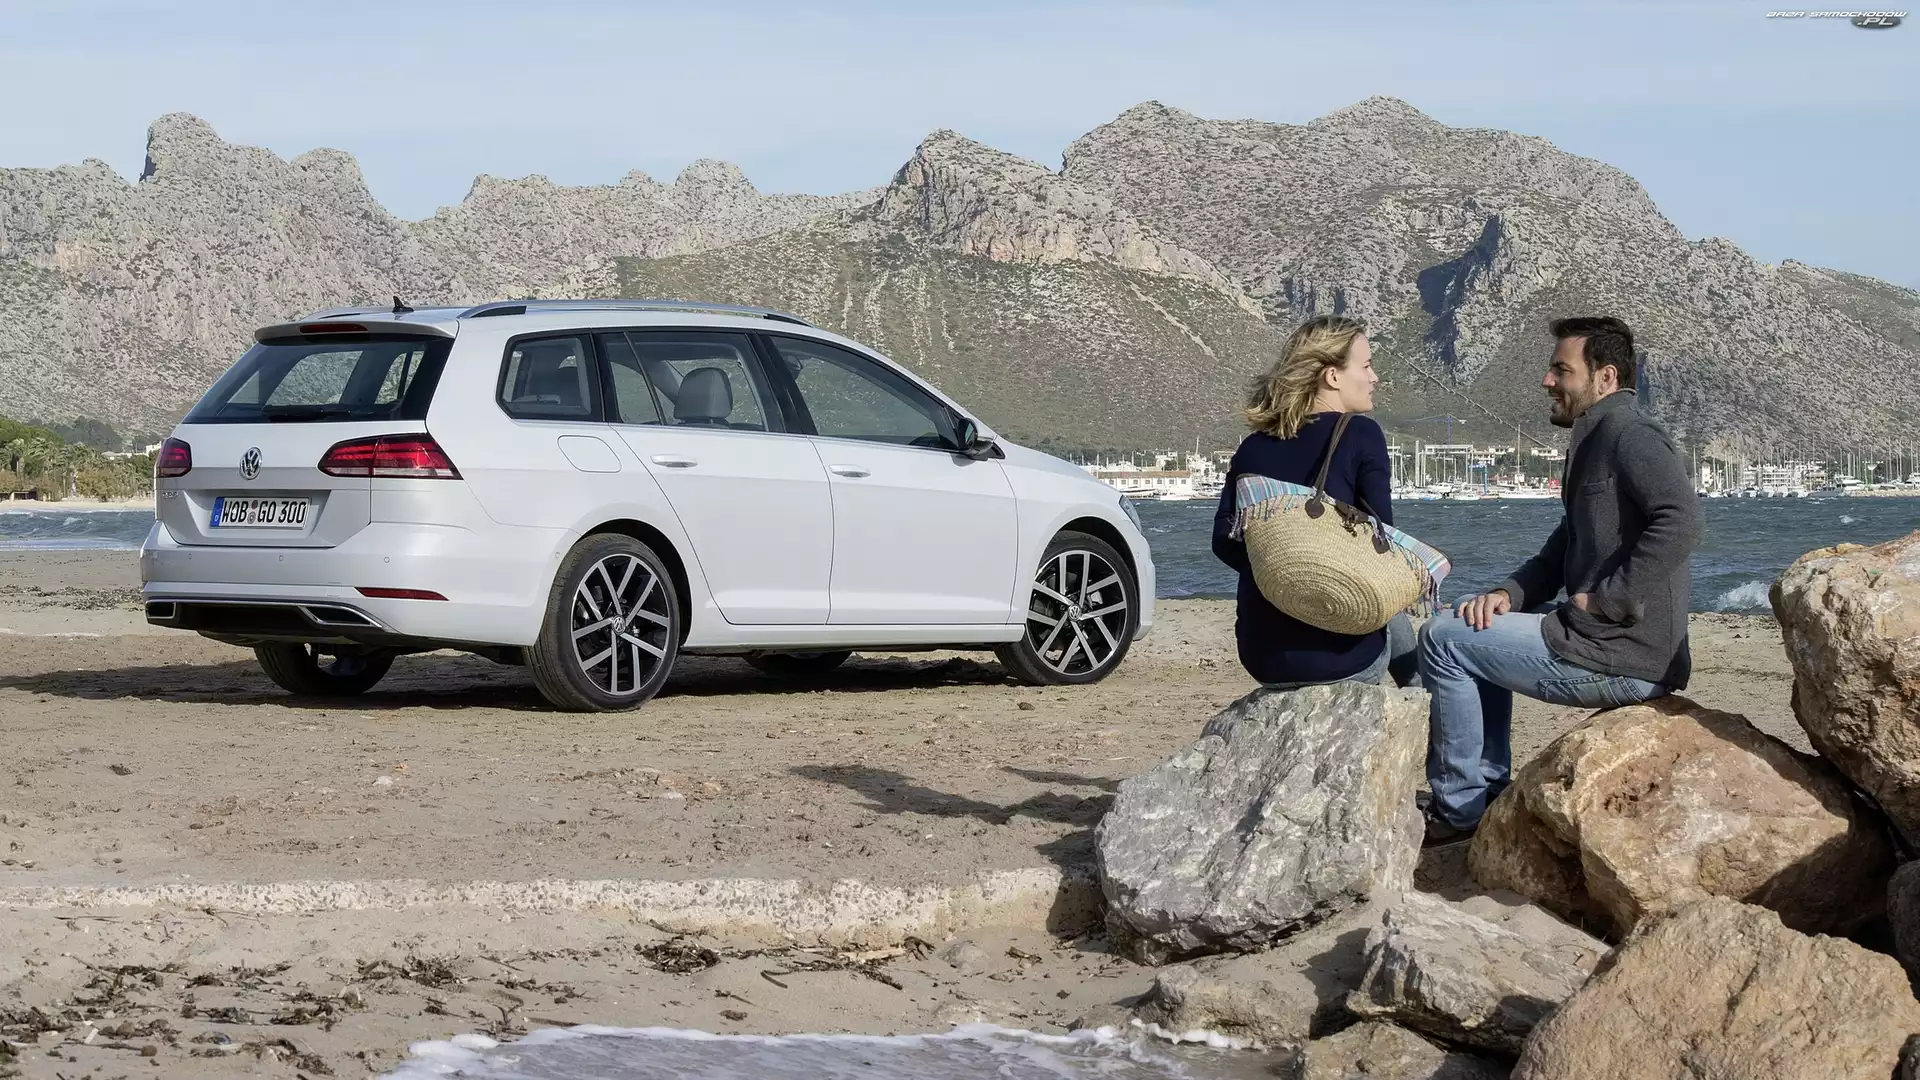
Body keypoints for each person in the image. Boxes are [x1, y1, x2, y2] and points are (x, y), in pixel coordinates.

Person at [1419, 316, 1702, 844]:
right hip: (1595, 637)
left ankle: (1458, 811)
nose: (1547, 381)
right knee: (1468, 619)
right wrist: (1506, 595)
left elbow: (1681, 520)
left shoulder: (1630, 434)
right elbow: (1561, 548)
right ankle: (1484, 791)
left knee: (1441, 640)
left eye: (1561, 370)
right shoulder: (1593, 441)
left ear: (1605, 377)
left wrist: (1609, 600)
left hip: (1620, 654)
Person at [1211, 314, 1418, 691]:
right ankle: (1426, 703)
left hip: (1263, 655)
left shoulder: (1252, 446)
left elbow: (1223, 542)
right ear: (1332, 376)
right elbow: (1383, 543)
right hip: (1342, 659)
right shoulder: (1361, 433)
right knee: (1389, 608)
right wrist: (1323, 589)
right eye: (1366, 366)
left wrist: (1286, 578)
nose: (1375, 378)